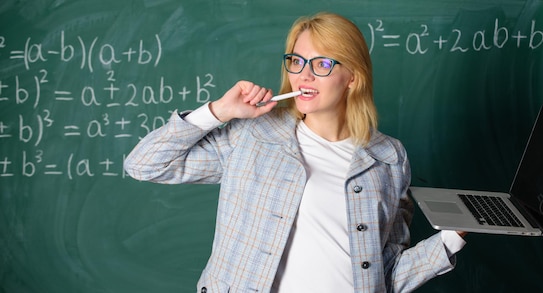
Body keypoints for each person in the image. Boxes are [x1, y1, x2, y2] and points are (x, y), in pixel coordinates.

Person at [124, 12, 467, 293]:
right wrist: (218, 111)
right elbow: (145, 165)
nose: (304, 75)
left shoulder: (389, 157)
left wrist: (455, 235)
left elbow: (385, 273)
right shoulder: (253, 135)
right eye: (297, 61)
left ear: (352, 77)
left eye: (322, 65)